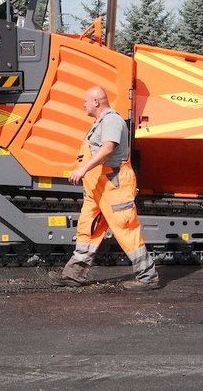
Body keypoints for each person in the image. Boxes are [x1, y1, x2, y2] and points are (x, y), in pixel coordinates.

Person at [51, 86, 159, 290]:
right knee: (87, 229)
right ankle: (74, 275)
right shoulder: (99, 123)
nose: (83, 105)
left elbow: (108, 148)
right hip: (98, 187)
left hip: (113, 184)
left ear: (96, 102)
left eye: (85, 101)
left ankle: (148, 277)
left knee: (126, 229)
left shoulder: (111, 120)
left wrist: (82, 169)